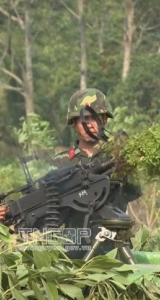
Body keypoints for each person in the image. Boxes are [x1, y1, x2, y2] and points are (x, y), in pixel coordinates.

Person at [50, 88, 142, 259]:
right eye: (83, 119)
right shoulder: (61, 161)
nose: (89, 125)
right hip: (75, 249)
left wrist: (127, 164)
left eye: (95, 118)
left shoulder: (118, 156)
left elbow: (133, 192)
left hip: (115, 248)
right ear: (74, 123)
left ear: (104, 120)